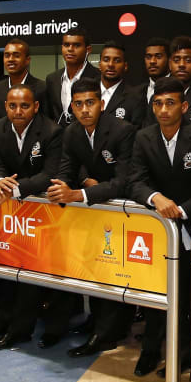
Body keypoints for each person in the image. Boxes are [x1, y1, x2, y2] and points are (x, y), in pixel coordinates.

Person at [127, 77, 191, 374]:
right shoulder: (144, 138)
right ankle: (150, 351)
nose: (163, 110)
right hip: (160, 232)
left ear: (184, 107)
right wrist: (156, 198)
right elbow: (135, 181)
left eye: (170, 103)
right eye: (157, 103)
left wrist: (181, 210)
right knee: (158, 293)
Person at [45, 78, 136, 357]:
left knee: (114, 271)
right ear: (72, 106)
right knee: (94, 268)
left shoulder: (123, 131)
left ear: (102, 104)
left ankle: (107, 334)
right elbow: (66, 167)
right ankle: (98, 324)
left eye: (90, 103)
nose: (85, 109)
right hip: (92, 212)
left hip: (122, 211)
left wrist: (82, 194)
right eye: (79, 104)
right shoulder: (71, 133)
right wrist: (60, 186)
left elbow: (125, 182)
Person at [0, 84, 63, 351]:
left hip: (44, 214)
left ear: (36, 107)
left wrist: (12, 190)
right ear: (6, 106)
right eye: (13, 106)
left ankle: (22, 330)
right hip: (11, 215)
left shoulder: (52, 131)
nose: (18, 111)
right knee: (6, 268)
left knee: (32, 273)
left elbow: (48, 173)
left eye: (25, 106)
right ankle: (5, 319)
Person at [45, 26, 100, 127]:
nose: (70, 49)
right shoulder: (52, 79)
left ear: (88, 50)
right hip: (57, 140)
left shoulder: (98, 78)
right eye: (66, 45)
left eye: (76, 45)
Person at [0, 38, 48, 121]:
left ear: (27, 60)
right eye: (7, 55)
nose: (11, 59)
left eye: (16, 56)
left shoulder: (43, 88)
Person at [96, 41, 136, 124]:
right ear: (99, 65)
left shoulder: (135, 98)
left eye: (117, 61)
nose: (110, 64)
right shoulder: (87, 91)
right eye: (106, 60)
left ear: (125, 66)